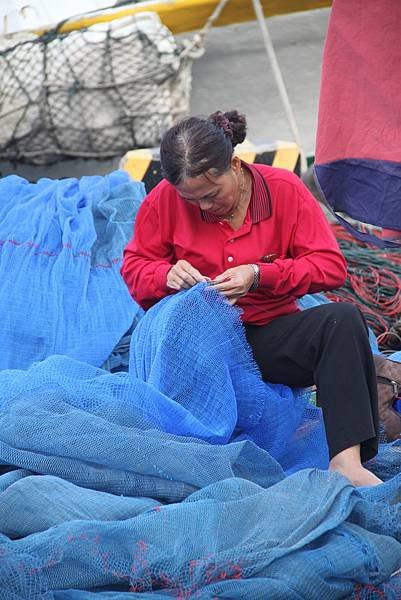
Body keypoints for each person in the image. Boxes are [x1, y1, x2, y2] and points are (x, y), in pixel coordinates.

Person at [121, 110, 401, 487]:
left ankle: (346, 462)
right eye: (192, 201)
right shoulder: (163, 202)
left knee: (342, 321)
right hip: (196, 352)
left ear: (235, 165)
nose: (203, 207)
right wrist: (165, 275)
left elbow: (330, 266)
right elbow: (136, 265)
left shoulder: (284, 190)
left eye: (211, 194)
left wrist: (259, 275)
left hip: (267, 337)